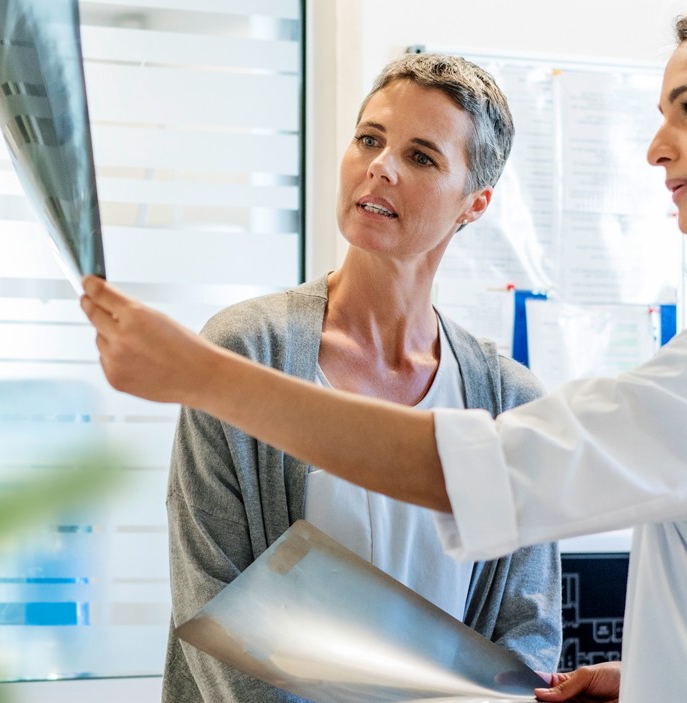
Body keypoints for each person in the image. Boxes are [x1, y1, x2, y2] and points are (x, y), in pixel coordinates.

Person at [81, 0, 687, 700]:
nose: (654, 145)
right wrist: (657, 681)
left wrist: (200, 377)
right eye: (366, 139)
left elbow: (476, 483)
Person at [162, 54, 561, 703]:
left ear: (474, 203)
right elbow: (211, 606)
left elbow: (528, 634)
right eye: (369, 139)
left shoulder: (508, 402)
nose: (379, 165)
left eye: (421, 156)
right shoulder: (244, 355)